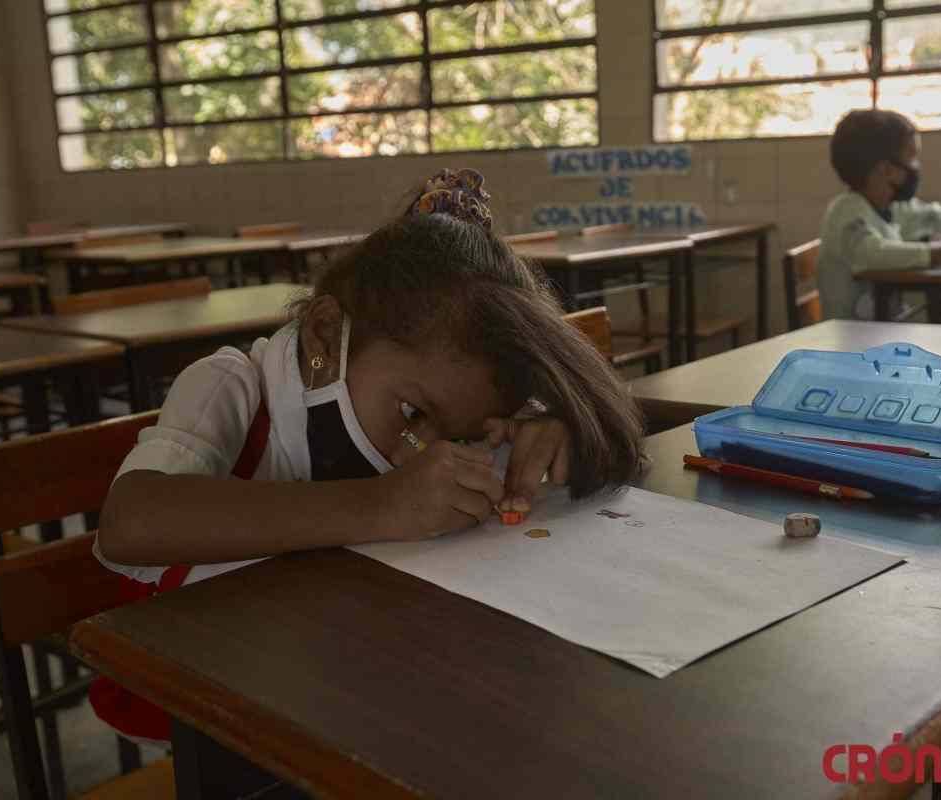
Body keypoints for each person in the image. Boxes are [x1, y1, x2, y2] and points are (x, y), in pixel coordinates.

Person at [90, 168, 646, 742]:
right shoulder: (231, 386)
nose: (419, 453)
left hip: (336, 686)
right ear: (323, 334)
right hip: (207, 712)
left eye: (452, 437)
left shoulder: (437, 397)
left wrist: (554, 423)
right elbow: (130, 523)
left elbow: (610, 431)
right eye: (411, 413)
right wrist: (380, 505)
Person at [818, 109, 941, 320]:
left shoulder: (889, 207)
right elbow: (875, 254)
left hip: (881, 329)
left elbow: (932, 213)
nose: (916, 168)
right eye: (911, 158)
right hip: (850, 336)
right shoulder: (846, 212)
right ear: (885, 169)